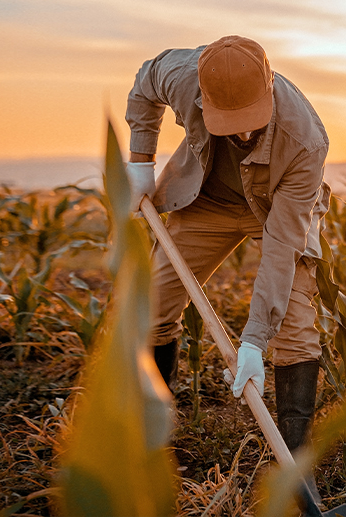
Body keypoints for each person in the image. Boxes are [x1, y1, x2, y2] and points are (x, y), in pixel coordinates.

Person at [124, 35, 330, 454]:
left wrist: (253, 340)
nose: (245, 131)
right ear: (202, 97)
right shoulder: (183, 76)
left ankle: (295, 465)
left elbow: (282, 245)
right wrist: (140, 162)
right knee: (153, 305)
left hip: (274, 210)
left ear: (269, 86)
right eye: (230, 122)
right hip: (207, 202)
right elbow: (144, 82)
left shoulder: (305, 141)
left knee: (293, 328)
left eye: (253, 118)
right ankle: (151, 439)